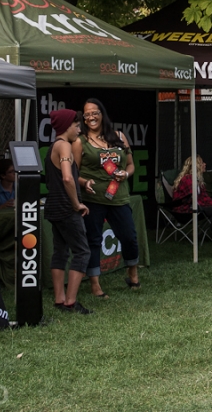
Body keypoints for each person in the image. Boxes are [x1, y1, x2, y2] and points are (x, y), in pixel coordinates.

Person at [72, 98, 141, 298]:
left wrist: (125, 174)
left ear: (102, 114)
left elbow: (131, 165)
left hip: (119, 197)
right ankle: (95, 285)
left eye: (95, 112)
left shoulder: (119, 136)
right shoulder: (80, 142)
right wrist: (85, 182)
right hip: (93, 199)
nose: (91, 117)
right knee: (94, 240)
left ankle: (132, 273)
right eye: (87, 114)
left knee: (129, 236)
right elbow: (74, 173)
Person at [45, 109, 92, 314]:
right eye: (77, 125)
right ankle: (71, 302)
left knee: (61, 251)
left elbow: (62, 176)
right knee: (82, 251)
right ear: (67, 126)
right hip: (66, 207)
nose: (79, 129)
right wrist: (76, 204)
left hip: (54, 206)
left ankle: (60, 299)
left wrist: (83, 183)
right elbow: (66, 177)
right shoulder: (64, 145)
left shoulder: (54, 146)